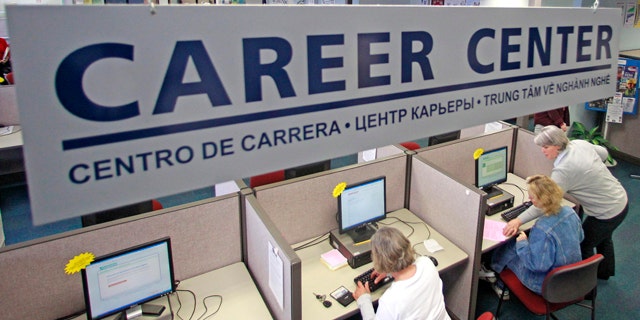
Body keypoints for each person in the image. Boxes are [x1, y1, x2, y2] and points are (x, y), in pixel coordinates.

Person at [503, 125, 629, 280]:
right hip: (619, 198)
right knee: (604, 237)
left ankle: (585, 288)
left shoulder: (564, 170)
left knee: (584, 245)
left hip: (607, 211)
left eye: (546, 147)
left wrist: (518, 219)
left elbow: (545, 203)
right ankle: (605, 272)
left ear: (557, 146)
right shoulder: (578, 144)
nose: (542, 150)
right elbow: (603, 153)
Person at [489, 175, 584, 296]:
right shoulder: (570, 212)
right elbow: (580, 237)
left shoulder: (542, 228)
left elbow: (536, 265)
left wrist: (523, 243)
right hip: (571, 275)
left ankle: (497, 279)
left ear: (542, 200)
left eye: (532, 197)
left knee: (510, 245)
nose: (529, 198)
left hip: (546, 283)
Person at [353, 227, 450, 320]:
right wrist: (388, 270)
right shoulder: (427, 263)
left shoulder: (390, 300)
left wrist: (364, 299)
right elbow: (407, 263)